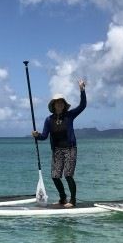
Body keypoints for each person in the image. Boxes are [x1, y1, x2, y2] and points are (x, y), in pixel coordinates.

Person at [32, 79, 87, 208]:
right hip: (57, 150)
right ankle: (63, 198)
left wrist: (82, 90)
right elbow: (44, 136)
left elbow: (82, 106)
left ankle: (72, 200)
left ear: (64, 104)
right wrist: (37, 135)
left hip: (70, 148)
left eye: (62, 102)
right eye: (58, 103)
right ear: (54, 105)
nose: (60, 104)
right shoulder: (48, 120)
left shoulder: (70, 115)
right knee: (55, 176)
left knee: (68, 175)